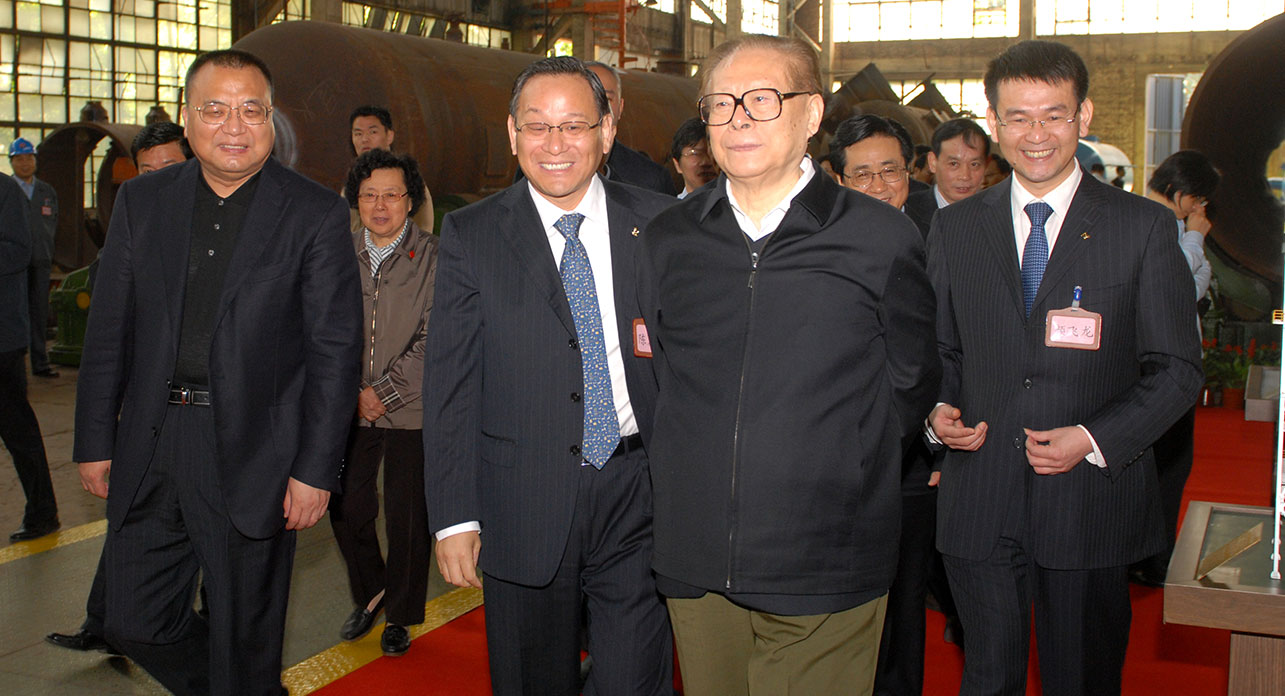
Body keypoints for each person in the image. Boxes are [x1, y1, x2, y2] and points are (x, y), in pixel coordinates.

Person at [637, 35, 940, 696]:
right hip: (695, 553)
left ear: (811, 114)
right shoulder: (669, 239)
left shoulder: (878, 237)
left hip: (824, 551)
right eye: (721, 104)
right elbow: (658, 379)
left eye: (761, 100)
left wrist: (840, 460)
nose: (737, 119)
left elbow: (911, 378)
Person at [74, 49, 362, 695]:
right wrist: (94, 439)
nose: (234, 126)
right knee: (133, 620)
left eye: (251, 110)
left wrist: (316, 470)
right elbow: (108, 331)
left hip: (256, 450)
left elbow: (335, 353)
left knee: (244, 632)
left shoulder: (312, 212)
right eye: (215, 109)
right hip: (151, 440)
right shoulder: (143, 201)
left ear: (271, 118)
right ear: (186, 118)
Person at [926, 40, 1202, 695]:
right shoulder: (956, 228)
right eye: (1018, 117)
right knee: (986, 677)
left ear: (1084, 116)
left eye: (1054, 115)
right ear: (994, 123)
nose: (1036, 135)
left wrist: (1092, 438)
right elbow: (938, 351)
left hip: (1088, 502)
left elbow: (1176, 370)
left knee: (1080, 678)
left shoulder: (1140, 228)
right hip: (980, 496)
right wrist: (936, 414)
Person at [423, 56, 674, 696]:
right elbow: (451, 385)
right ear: (513, 134)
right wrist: (454, 518)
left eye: (573, 125)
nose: (555, 144)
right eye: (537, 126)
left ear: (606, 131)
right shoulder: (473, 233)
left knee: (634, 678)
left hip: (639, 490)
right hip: (521, 497)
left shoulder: (660, 223)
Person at [46, 120, 195, 655]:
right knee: (130, 520)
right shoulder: (130, 232)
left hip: (204, 418)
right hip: (144, 411)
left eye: (168, 169)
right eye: (145, 172)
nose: (155, 181)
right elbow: (107, 340)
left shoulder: (220, 232)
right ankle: (105, 621)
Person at [827, 112, 941, 696]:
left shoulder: (942, 239)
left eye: (890, 171)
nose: (878, 186)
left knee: (904, 603)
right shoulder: (816, 246)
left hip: (913, 460)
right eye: (862, 174)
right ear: (838, 179)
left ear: (911, 172)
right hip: (834, 462)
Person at [330, 148, 438, 657]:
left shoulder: (435, 256)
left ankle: (400, 614)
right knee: (345, 505)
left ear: (409, 200)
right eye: (369, 195)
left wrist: (384, 392)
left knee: (407, 518)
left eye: (391, 195)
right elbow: (325, 327)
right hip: (349, 407)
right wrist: (353, 391)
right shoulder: (337, 253)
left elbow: (437, 336)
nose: (379, 205)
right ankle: (373, 590)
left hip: (411, 409)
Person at [1129, 149, 1221, 587]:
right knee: (1166, 466)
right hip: (1159, 366)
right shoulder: (1154, 220)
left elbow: (1196, 288)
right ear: (1181, 192)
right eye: (1198, 200)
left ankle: (1150, 552)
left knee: (1169, 464)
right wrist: (1196, 239)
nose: (1200, 210)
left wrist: (1194, 246)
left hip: (1167, 361)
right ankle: (1149, 556)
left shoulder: (1170, 223)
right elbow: (1178, 283)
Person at [2, 169, 59, 542]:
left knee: (16, 427)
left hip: (2, 338)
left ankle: (42, 512)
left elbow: (19, 250)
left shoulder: (5, 192)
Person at [584, 61, 678, 195]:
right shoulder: (554, 167)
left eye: (606, 99)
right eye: (586, 98)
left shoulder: (651, 181)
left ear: (620, 108)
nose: (596, 108)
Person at [9, 137, 59, 378]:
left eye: (29, 158)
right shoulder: (6, 190)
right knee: (13, 312)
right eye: (19, 159)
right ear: (11, 162)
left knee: (39, 312)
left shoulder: (46, 191)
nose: (25, 163)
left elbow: (53, 222)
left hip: (40, 260)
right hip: (11, 265)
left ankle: (40, 362)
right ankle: (13, 365)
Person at [348, 105, 435, 232]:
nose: (365, 139)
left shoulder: (407, 179)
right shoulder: (351, 184)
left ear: (389, 136)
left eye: (373, 132)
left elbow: (422, 229)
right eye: (358, 134)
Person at [905, 118, 991, 237]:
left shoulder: (999, 215)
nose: (965, 176)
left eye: (974, 164)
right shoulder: (907, 214)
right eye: (954, 164)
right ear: (932, 162)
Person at [830, 114, 913, 210]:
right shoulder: (824, 219)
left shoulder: (927, 219)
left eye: (889, 171)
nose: (879, 188)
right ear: (841, 182)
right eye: (863, 175)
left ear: (907, 174)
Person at [669, 116, 717, 199]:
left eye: (712, 152)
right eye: (695, 153)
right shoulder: (672, 207)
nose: (705, 162)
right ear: (677, 165)